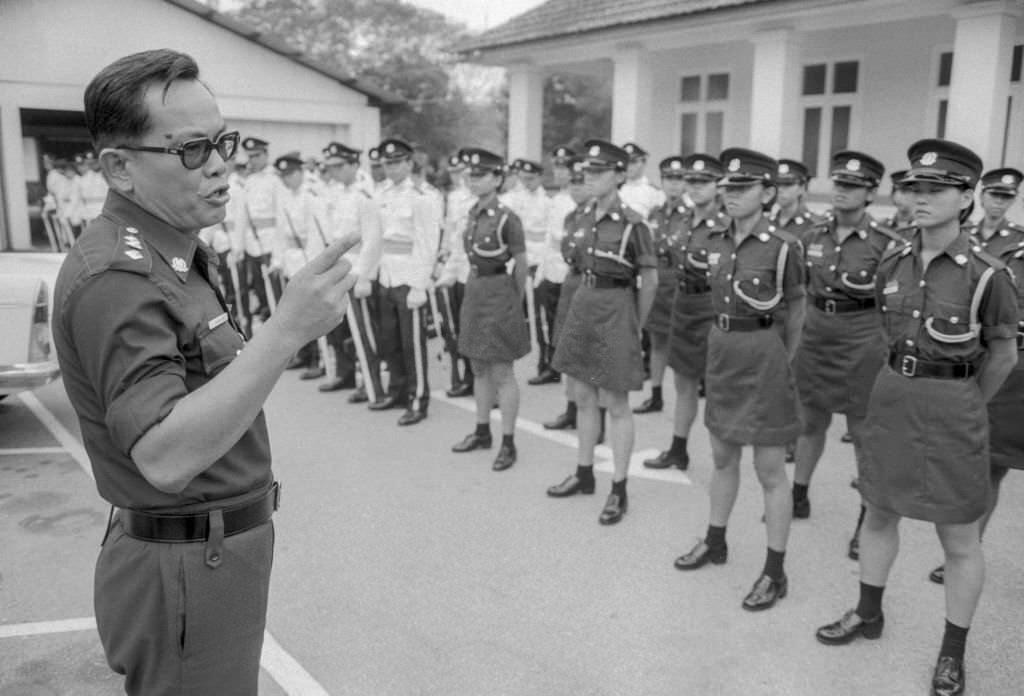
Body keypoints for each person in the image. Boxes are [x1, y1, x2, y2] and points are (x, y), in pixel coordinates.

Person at [51, 49, 357, 695]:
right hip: (185, 562)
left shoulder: (174, 253)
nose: (221, 164)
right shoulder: (121, 277)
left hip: (209, 553)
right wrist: (287, 330)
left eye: (223, 141)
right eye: (192, 150)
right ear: (120, 169)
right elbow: (163, 455)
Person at [815, 140, 1018, 696]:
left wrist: (964, 399)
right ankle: (867, 612)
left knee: (958, 537)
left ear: (966, 197)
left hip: (954, 406)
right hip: (893, 395)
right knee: (878, 513)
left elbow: (1003, 354)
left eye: (936, 189)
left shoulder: (988, 274)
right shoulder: (892, 259)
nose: (920, 198)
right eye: (915, 188)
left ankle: (952, 653)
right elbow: (887, 329)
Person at [674, 148, 806, 613]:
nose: (730, 195)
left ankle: (775, 570)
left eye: (742, 188)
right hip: (722, 349)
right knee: (722, 455)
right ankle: (716, 540)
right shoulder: (714, 238)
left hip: (763, 354)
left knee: (770, 469)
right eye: (727, 187)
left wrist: (784, 362)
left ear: (768, 193)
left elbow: (797, 307)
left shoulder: (784, 244)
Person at [790, 151, 903, 563]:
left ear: (872, 192)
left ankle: (865, 519)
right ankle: (798, 496)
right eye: (838, 184)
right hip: (817, 334)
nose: (842, 192)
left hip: (862, 339)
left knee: (862, 432)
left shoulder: (887, 245)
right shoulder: (813, 235)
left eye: (852, 186)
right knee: (810, 421)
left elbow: (896, 305)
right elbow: (799, 291)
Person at [546, 139, 657, 525]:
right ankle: (584, 472)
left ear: (621, 175)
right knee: (582, 394)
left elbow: (650, 278)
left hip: (615, 307)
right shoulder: (579, 217)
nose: (590, 178)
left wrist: (636, 328)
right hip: (583, 302)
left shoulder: (633, 223)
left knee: (616, 401)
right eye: (587, 172)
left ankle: (619, 487)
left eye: (600, 171)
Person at [926, 166, 1024, 585]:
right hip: (974, 355)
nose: (999, 202)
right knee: (984, 463)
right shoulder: (962, 239)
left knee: (1000, 461)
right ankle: (967, 551)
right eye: (993, 195)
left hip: (1015, 359)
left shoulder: (1020, 245)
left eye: (1007, 196)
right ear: (978, 197)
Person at [444, 149, 530, 471]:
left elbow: (521, 265)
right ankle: (482, 431)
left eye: (480, 175)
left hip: (499, 293)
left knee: (502, 372)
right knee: (478, 366)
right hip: (475, 290)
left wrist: (514, 302)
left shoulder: (508, 218)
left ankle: (508, 441)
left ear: (497, 179)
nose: (473, 181)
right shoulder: (471, 213)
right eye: (470, 176)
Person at [643, 154, 727, 470]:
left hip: (712, 307)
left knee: (716, 387)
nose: (695, 187)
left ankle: (722, 457)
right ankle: (678, 448)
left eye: (703, 182)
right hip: (683, 304)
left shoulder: (726, 225)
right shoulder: (682, 220)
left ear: (719, 186)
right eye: (692, 181)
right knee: (683, 383)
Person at [369, 137, 439, 426]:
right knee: (390, 340)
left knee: (413, 344)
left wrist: (420, 285)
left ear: (410, 163)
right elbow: (376, 237)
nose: (392, 168)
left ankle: (418, 397)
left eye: (398, 162)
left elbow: (427, 242)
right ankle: (396, 390)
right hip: (387, 274)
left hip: (409, 277)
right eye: (387, 163)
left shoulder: (424, 195)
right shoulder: (381, 192)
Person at [319, 141, 384, 398]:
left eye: (340, 166)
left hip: (355, 268)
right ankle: (345, 374)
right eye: (331, 167)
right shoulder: (336, 194)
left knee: (364, 329)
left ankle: (370, 382)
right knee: (338, 326)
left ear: (354, 165)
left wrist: (363, 274)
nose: (334, 172)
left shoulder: (364, 197)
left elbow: (372, 240)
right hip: (338, 267)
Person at [634, 156, 689, 415]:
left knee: (683, 348)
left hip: (682, 287)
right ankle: (656, 395)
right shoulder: (654, 214)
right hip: (659, 286)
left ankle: (686, 399)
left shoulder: (692, 215)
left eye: (679, 179)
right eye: (669, 179)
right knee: (657, 343)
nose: (674, 185)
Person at [542, 156, 590, 432]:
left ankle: (595, 417)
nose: (576, 188)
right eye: (573, 182)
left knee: (589, 356)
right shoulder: (572, 216)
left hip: (590, 286)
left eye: (582, 183)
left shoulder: (598, 217)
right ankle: (571, 409)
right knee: (568, 351)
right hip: (571, 282)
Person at [502, 158, 556, 384]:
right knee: (527, 314)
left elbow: (549, 236)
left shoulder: (548, 201)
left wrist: (543, 265)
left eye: (531, 179)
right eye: (523, 179)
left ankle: (548, 363)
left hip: (539, 261)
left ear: (540, 177)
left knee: (542, 316)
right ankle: (540, 361)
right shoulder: (516, 198)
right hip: (520, 260)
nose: (527, 183)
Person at [437, 153, 475, 397]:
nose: (460, 176)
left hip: (475, 270)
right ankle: (465, 375)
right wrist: (443, 255)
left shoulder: (486, 200)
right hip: (456, 269)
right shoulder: (455, 198)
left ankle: (478, 379)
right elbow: (450, 231)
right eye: (456, 172)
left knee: (475, 328)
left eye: (465, 171)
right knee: (457, 326)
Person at [236, 135, 282, 335]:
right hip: (252, 244)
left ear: (266, 155)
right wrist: (239, 245)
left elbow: (281, 217)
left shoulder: (276, 180)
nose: (253, 160)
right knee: (262, 293)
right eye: (250, 156)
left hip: (271, 244)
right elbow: (243, 216)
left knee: (278, 294)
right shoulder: (249, 181)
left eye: (256, 155)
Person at [619, 142, 666, 219]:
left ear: (644, 163)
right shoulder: (618, 189)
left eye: (633, 161)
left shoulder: (654, 192)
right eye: (626, 162)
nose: (629, 166)